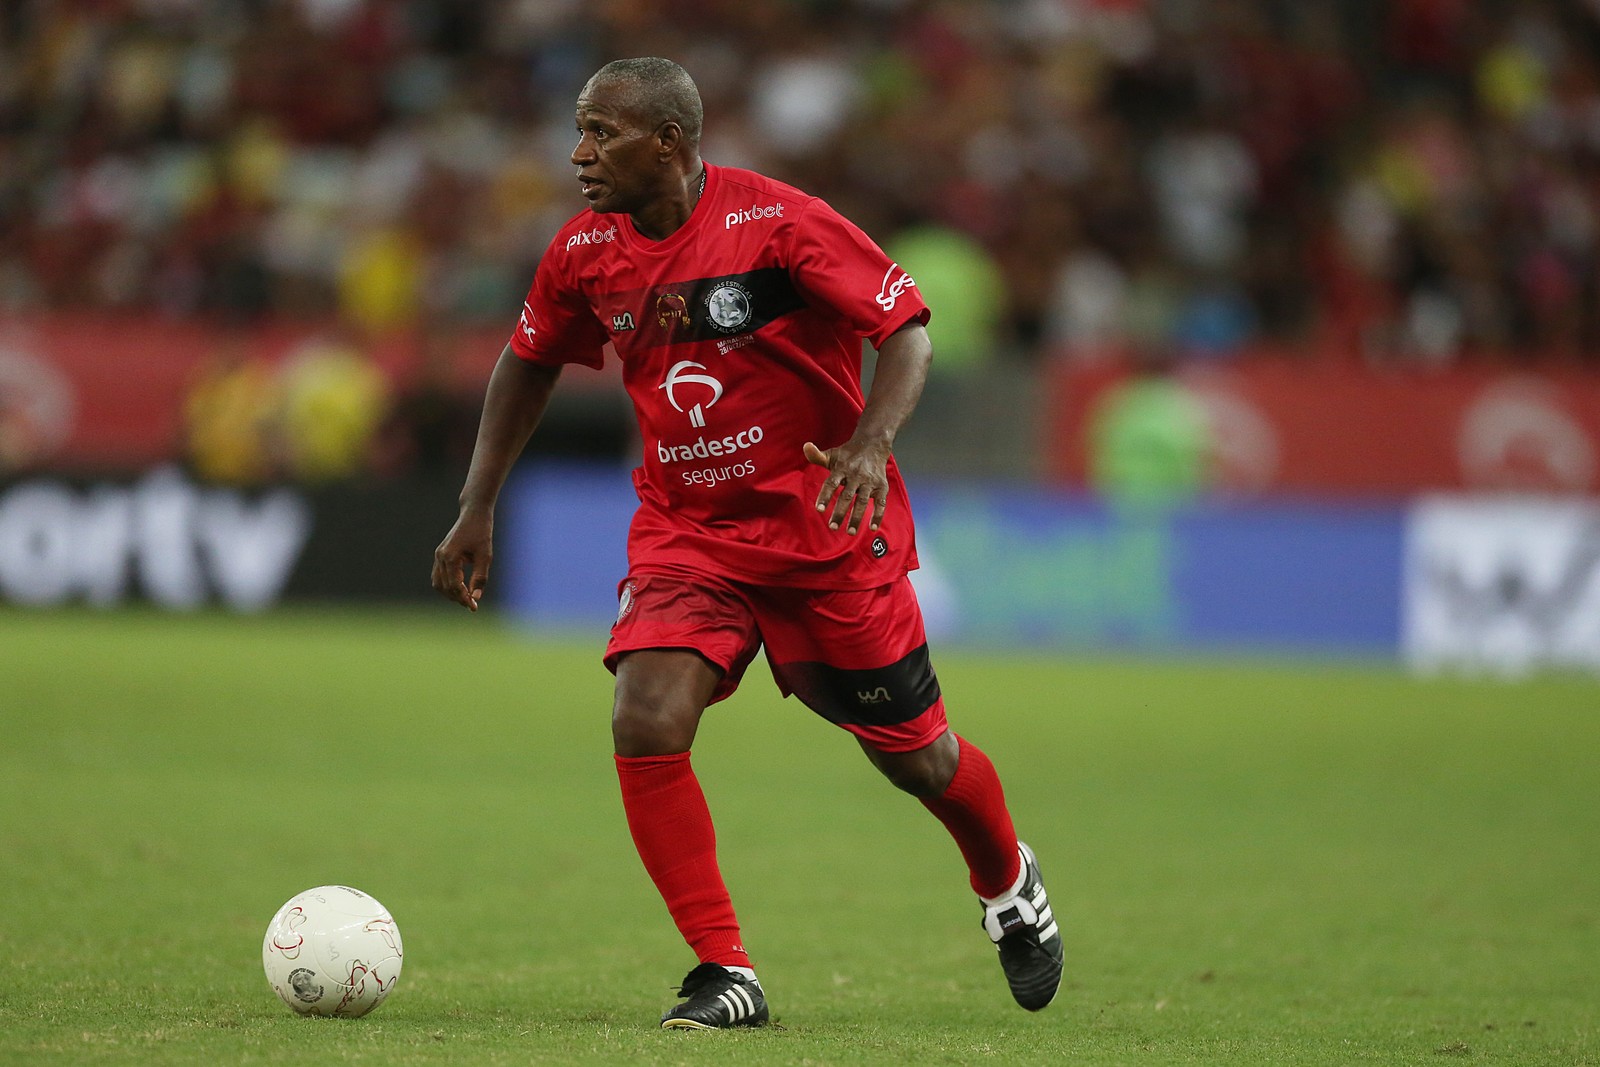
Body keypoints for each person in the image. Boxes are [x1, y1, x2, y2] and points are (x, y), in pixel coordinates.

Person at [431, 57, 1061, 1029]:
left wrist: (869, 442)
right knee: (644, 713)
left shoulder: (778, 223)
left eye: (601, 132)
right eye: (579, 129)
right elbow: (527, 362)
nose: (578, 152)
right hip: (690, 531)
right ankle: (724, 970)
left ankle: (1008, 877)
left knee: (916, 759)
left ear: (670, 143)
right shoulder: (582, 252)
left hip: (822, 530)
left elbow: (907, 330)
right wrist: (478, 504)